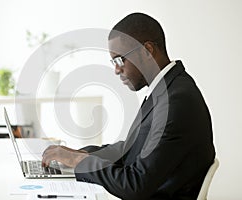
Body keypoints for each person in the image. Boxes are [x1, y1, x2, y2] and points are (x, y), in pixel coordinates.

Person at [42, 13, 215, 200]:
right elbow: (131, 149)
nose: (116, 70)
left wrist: (79, 162)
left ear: (147, 50)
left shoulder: (176, 101)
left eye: (119, 60)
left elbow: (135, 185)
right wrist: (81, 154)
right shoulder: (168, 88)